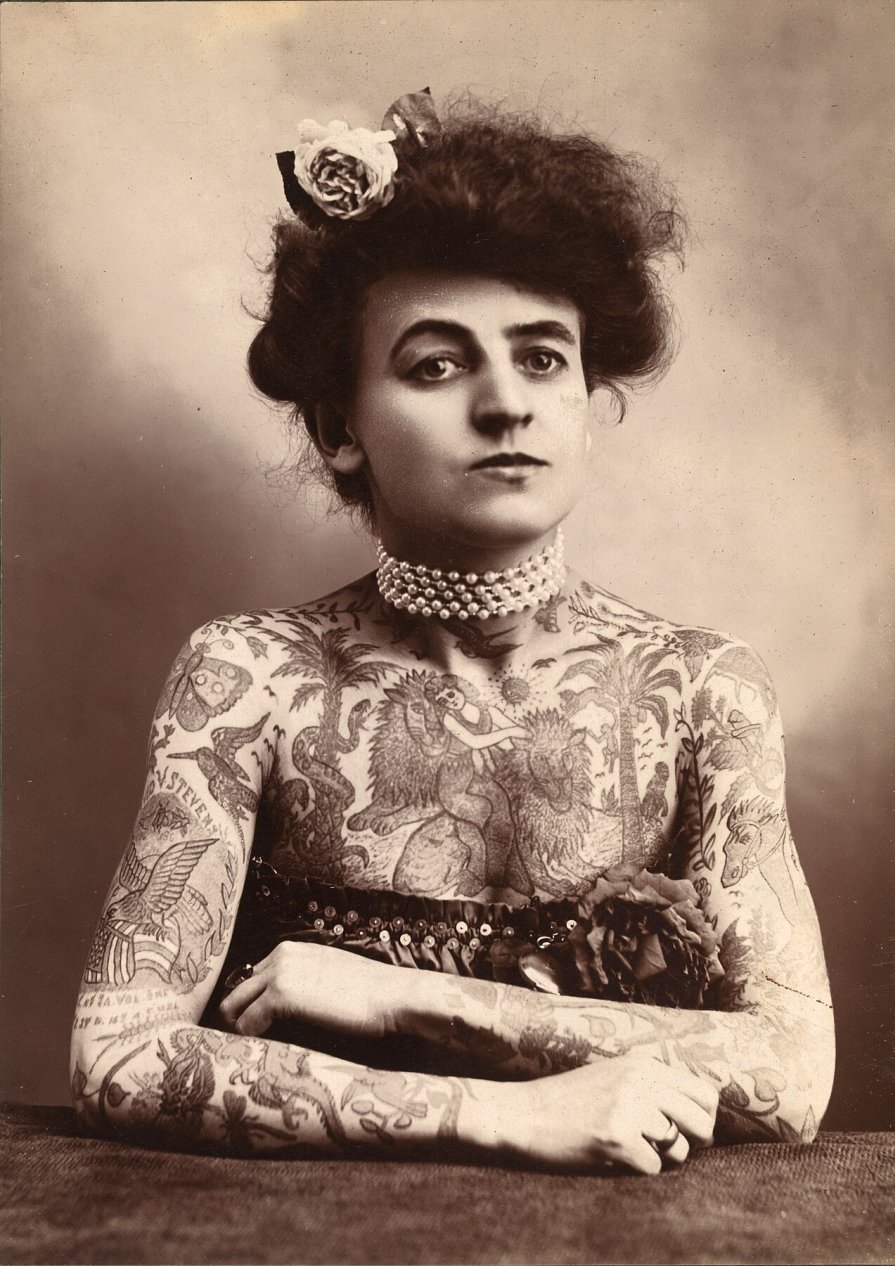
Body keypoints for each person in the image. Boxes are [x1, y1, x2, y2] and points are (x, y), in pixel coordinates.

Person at [70, 90, 834, 1173]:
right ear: (339, 428)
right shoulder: (249, 678)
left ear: (587, 398)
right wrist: (502, 1115)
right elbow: (118, 1054)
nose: (506, 403)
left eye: (543, 358)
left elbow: (793, 1072)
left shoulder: (703, 689)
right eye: (437, 363)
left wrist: (405, 1000)